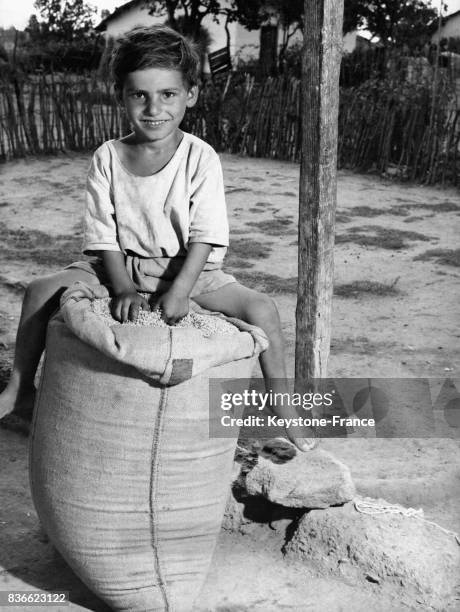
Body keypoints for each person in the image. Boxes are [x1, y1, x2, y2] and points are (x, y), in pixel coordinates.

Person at [0, 25, 315, 451]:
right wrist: (124, 286)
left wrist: (182, 289)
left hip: (189, 267)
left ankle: (283, 407)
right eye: (139, 95)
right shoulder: (108, 157)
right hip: (119, 264)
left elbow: (205, 235)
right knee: (39, 291)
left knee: (263, 307)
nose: (154, 109)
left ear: (191, 95)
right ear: (121, 95)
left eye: (168, 94)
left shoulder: (200, 156)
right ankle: (21, 391)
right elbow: (103, 233)